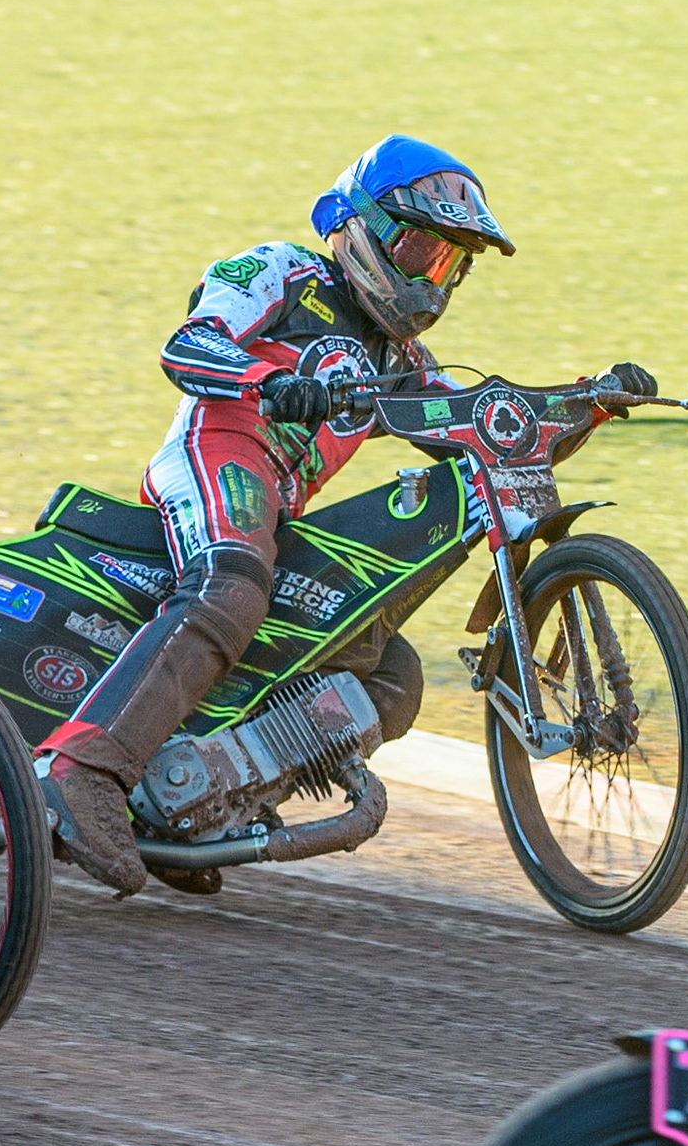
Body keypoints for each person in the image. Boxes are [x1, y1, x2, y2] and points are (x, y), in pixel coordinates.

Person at [38, 134, 655, 897]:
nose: (433, 282)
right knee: (230, 585)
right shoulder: (283, 271)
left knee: (389, 672)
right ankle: (85, 768)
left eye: (450, 265)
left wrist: (586, 402)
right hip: (218, 454)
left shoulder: (402, 364)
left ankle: (194, 809)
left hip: (283, 507)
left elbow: (480, 441)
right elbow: (185, 346)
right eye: (422, 251)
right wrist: (271, 381)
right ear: (360, 228)